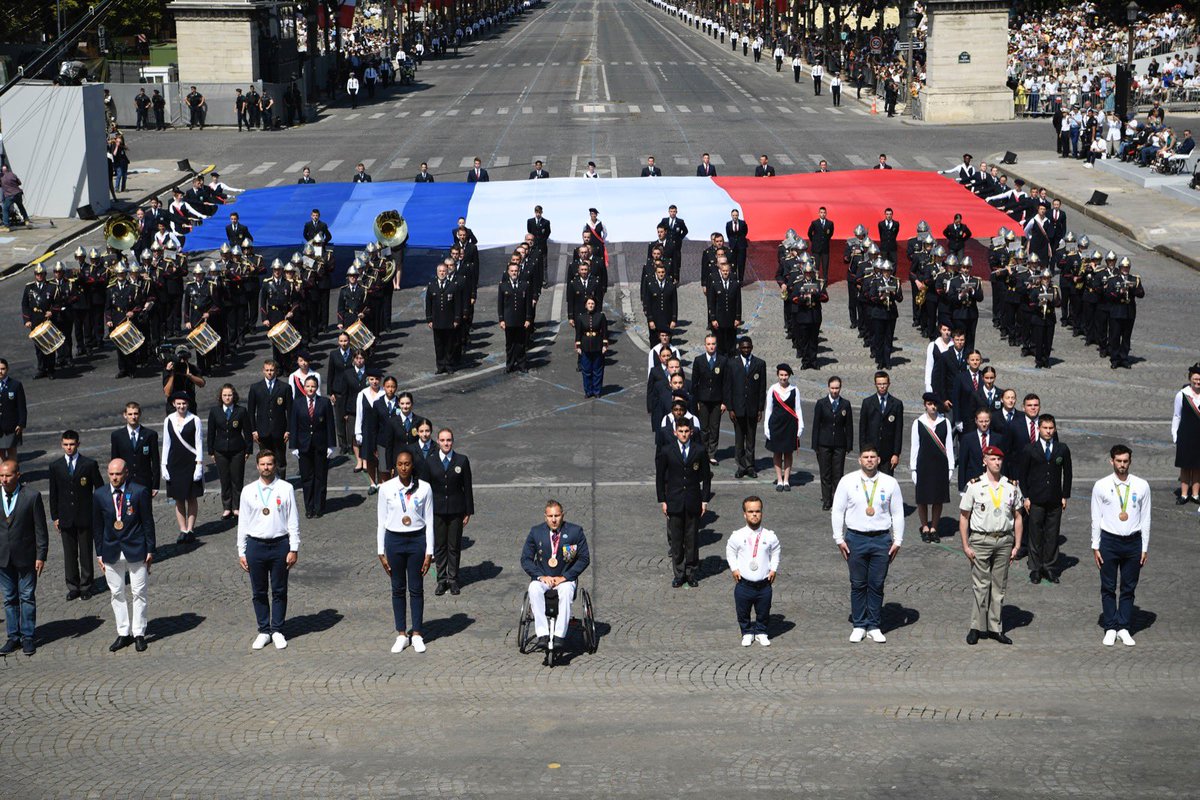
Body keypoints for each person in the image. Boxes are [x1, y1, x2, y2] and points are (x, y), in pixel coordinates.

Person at [832, 445, 904, 643]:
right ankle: (858, 624)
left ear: (879, 460)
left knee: (877, 583)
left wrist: (898, 540)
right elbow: (838, 510)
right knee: (857, 583)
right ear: (859, 460)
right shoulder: (848, 481)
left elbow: (897, 512)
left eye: (873, 457)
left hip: (881, 539)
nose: (869, 460)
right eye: (866, 457)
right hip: (855, 538)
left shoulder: (889, 483)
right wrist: (838, 538)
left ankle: (873, 624)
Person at [959, 446, 1023, 645]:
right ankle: (976, 627)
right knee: (980, 585)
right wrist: (965, 545)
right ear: (984, 461)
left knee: (999, 586)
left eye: (999, 459)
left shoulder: (1011, 486)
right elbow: (964, 517)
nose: (997, 462)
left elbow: (1018, 517)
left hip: (1004, 540)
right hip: (980, 540)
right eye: (993, 459)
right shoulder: (975, 486)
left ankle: (996, 627)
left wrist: (1017, 545)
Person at [237, 449, 299, 650]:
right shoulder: (248, 491)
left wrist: (294, 548)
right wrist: (241, 551)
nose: (266, 467)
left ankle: (278, 629)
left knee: (280, 589)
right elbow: (243, 523)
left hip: (280, 544)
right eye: (263, 464)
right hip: (256, 545)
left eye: (270, 464)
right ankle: (264, 630)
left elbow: (293, 520)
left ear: (275, 465)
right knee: (259, 591)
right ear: (257, 466)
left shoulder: (286, 488)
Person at [1090, 444, 1150, 647]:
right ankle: (1110, 626)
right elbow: (1095, 516)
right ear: (1111, 461)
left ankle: (1123, 626)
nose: (1122, 465)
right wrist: (1095, 545)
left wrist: (1144, 547)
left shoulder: (1141, 485)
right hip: (1109, 541)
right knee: (1107, 587)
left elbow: (1146, 517)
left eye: (1125, 461)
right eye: (1119, 461)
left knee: (1128, 587)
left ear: (1130, 462)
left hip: (1133, 541)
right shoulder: (1101, 485)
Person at [93, 458, 155, 653]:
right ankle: (123, 632)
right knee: (117, 593)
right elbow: (97, 525)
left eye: (118, 474)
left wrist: (150, 549)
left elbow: (147, 521)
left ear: (126, 473)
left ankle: (139, 633)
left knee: (138, 592)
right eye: (111, 474)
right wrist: (99, 553)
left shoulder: (139, 491)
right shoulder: (100, 494)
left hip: (136, 548)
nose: (114, 478)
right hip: (111, 549)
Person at [377, 450, 434, 654]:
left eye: (407, 464)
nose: (403, 467)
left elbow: (429, 521)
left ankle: (417, 632)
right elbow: (381, 521)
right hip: (394, 540)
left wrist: (429, 551)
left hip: (417, 540)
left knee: (416, 588)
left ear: (412, 466)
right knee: (398, 588)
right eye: (400, 464)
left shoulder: (424, 488)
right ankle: (401, 633)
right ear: (395, 466)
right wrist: (380, 551)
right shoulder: (386, 488)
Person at [521, 499, 590, 649]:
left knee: (565, 592)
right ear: (545, 516)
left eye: (557, 516)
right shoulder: (536, 532)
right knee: (534, 589)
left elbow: (584, 558)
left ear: (562, 515)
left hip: (564, 578)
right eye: (550, 516)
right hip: (543, 577)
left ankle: (559, 635)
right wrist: (541, 576)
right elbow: (526, 559)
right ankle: (542, 634)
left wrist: (564, 577)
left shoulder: (574, 532)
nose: (553, 520)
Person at [1016, 414, 1071, 584]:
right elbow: (1022, 475)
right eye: (1045, 428)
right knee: (1035, 534)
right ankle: (1035, 568)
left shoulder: (1061, 448)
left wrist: (1064, 495)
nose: (1048, 431)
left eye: (1051, 428)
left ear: (1055, 429)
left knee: (1052, 534)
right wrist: (1026, 496)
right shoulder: (1030, 449)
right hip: (1036, 499)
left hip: (1054, 498)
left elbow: (1067, 473)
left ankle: (1050, 567)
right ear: (1039, 429)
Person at [656, 420, 711, 588]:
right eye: (681, 431)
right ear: (675, 433)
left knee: (692, 539)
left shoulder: (699, 450)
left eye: (687, 431)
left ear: (691, 432)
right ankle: (679, 573)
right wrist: (663, 500)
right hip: (674, 500)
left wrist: (704, 500)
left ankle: (691, 572)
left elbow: (706, 476)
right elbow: (660, 477)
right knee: (677, 540)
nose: (684, 434)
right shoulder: (667, 451)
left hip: (693, 500)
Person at [0, 460, 47, 656]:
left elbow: (40, 529)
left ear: (18, 475)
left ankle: (28, 636)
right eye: (1, 476)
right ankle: (13, 636)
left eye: (8, 475)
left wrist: (41, 555)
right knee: (9, 598)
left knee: (26, 597)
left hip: (26, 557)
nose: (4, 479)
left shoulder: (32, 496)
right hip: (2, 557)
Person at [48, 430, 102, 601]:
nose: (69, 448)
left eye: (72, 444)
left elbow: (99, 490)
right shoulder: (56, 466)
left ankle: (86, 585)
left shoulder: (89, 464)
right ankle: (73, 585)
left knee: (86, 552)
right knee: (69, 554)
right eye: (66, 445)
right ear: (61, 444)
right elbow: (53, 494)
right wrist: (55, 516)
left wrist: (97, 512)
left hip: (85, 515)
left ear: (78, 444)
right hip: (66, 517)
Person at [726, 496, 780, 647]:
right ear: (745, 514)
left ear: (761, 513)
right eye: (751, 511)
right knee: (743, 610)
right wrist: (734, 568)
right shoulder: (737, 535)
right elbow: (730, 551)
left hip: (764, 584)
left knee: (763, 610)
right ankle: (747, 632)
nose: (754, 514)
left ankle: (762, 631)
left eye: (757, 511)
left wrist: (774, 569)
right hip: (744, 583)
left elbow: (776, 551)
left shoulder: (769, 536)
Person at [426, 428, 473, 597]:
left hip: (456, 510)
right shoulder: (430, 461)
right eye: (443, 440)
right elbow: (426, 488)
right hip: (437, 510)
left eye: (449, 440)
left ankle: (453, 579)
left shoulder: (461, 460)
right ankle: (441, 580)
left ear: (453, 441)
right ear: (438, 442)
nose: (446, 443)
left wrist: (468, 511)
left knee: (454, 546)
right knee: (440, 546)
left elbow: (467, 487)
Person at [288, 376, 335, 519]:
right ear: (304, 387)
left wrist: (331, 445)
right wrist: (294, 446)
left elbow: (330, 425)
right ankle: (309, 507)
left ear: (317, 387)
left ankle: (319, 506)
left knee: (320, 477)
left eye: (313, 386)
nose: (310, 389)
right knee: (307, 478)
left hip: (320, 445)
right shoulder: (298, 403)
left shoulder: (324, 403)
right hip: (303, 445)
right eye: (308, 386)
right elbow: (294, 425)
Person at [162, 392, 204, 544]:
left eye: (184, 403)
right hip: (174, 463)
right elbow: (166, 444)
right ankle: (183, 529)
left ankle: (191, 529)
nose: (181, 406)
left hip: (190, 462)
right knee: (179, 498)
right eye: (178, 403)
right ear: (174, 404)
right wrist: (163, 465)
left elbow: (199, 444)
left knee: (191, 497)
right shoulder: (168, 420)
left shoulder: (195, 420)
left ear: (188, 404)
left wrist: (199, 465)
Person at [911, 393, 953, 542]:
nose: (932, 407)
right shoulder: (918, 422)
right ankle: (925, 527)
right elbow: (915, 447)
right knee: (922, 499)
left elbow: (949, 446)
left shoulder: (945, 422)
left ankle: (934, 527)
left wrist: (950, 468)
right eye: (929, 404)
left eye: (935, 404)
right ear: (925, 405)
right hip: (923, 465)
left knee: (937, 499)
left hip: (940, 465)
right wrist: (913, 469)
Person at [207, 384, 251, 522]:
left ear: (234, 396)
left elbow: (247, 432)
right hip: (220, 450)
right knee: (225, 479)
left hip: (237, 449)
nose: (227, 397)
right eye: (225, 395)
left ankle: (237, 507)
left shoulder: (241, 411)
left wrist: (248, 449)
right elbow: (210, 433)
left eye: (230, 395)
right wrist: (211, 451)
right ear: (221, 397)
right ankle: (227, 507)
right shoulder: (214, 412)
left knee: (237, 479)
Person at [724, 337, 766, 479]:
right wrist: (730, 408)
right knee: (739, 439)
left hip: (753, 408)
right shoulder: (732, 364)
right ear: (739, 348)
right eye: (743, 347)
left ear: (752, 347)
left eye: (748, 347)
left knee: (751, 439)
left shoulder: (759, 364)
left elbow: (762, 387)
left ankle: (750, 466)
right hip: (738, 408)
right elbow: (728, 387)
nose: (746, 350)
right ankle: (741, 466)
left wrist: (761, 408)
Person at [812, 375, 853, 511]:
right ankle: (827, 499)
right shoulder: (821, 403)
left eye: (837, 388)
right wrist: (815, 445)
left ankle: (837, 500)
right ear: (828, 388)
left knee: (838, 474)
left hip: (839, 445)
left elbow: (849, 426)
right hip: (824, 443)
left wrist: (849, 444)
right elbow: (816, 425)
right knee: (825, 473)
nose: (834, 391)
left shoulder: (845, 404)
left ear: (840, 388)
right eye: (832, 388)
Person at [247, 361, 292, 479]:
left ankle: (281, 483)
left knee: (280, 460)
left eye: (271, 370)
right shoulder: (255, 388)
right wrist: (253, 430)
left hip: (279, 431)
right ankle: (267, 481)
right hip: (263, 431)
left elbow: (290, 411)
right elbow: (251, 411)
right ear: (263, 371)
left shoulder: (285, 388)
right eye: (267, 370)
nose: (269, 373)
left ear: (276, 371)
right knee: (265, 460)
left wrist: (288, 430)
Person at [764, 364, 802, 492]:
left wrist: (800, 426)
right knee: (777, 452)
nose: (783, 377)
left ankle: (786, 480)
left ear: (789, 376)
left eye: (785, 375)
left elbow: (798, 409)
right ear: (777, 375)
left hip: (790, 425)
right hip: (776, 425)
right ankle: (779, 480)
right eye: (781, 375)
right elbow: (768, 410)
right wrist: (766, 428)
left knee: (788, 453)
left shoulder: (794, 390)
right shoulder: (772, 389)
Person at [859, 371, 903, 476]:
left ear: (888, 384)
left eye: (884, 383)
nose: (882, 386)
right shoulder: (868, 403)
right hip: (871, 452)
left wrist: (896, 453)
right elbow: (862, 429)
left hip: (888, 454)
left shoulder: (896, 404)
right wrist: (863, 452)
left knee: (886, 484)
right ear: (875, 385)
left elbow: (898, 431)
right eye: (879, 384)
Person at [692, 335, 726, 463]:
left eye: (713, 343)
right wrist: (696, 401)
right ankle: (703, 451)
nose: (711, 346)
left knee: (714, 427)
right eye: (708, 344)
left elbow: (725, 383)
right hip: (703, 400)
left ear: (716, 345)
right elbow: (695, 383)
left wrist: (725, 402)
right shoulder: (699, 360)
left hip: (717, 400)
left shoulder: (722, 361)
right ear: (705, 345)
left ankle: (712, 453)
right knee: (703, 428)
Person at [497, 261, 534, 373]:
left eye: (516, 271)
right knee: (510, 344)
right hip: (509, 320)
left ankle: (522, 364)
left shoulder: (525, 285)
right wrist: (501, 319)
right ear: (508, 272)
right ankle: (510, 364)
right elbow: (500, 304)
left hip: (521, 320)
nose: (514, 273)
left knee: (521, 344)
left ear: (519, 272)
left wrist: (528, 319)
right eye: (512, 271)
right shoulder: (503, 286)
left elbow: (528, 304)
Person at [1172, 364, 1200, 504]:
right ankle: (1184, 494)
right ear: (1190, 379)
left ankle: (1195, 494)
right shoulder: (1182, 394)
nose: (1197, 382)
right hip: (1185, 435)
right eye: (1195, 379)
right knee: (1185, 466)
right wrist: (1175, 435)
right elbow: (1177, 415)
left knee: (1197, 466)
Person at [426, 263, 461, 375]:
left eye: (444, 271)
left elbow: (457, 304)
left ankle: (449, 365)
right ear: (437, 272)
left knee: (450, 344)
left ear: (447, 272)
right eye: (440, 271)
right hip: (437, 321)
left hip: (449, 321)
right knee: (439, 344)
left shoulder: (453, 286)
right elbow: (428, 304)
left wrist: (456, 319)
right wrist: (429, 319)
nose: (442, 273)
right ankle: (440, 365)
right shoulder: (432, 286)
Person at [574, 296, 607, 398]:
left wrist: (605, 345)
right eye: (589, 304)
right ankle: (588, 391)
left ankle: (597, 391)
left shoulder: (601, 316)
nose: (591, 305)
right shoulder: (580, 317)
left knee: (598, 370)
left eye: (592, 303)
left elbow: (605, 332)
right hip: (585, 346)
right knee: (586, 370)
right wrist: (578, 346)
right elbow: (578, 333)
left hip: (597, 345)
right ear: (585, 305)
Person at [0, 359, 27, 462]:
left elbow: (21, 406)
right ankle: (2, 477)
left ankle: (14, 476)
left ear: (7, 369)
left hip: (11, 426)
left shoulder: (15, 385)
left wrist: (21, 423)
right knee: (0, 456)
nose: (0, 372)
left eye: (3, 369)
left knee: (12, 454)